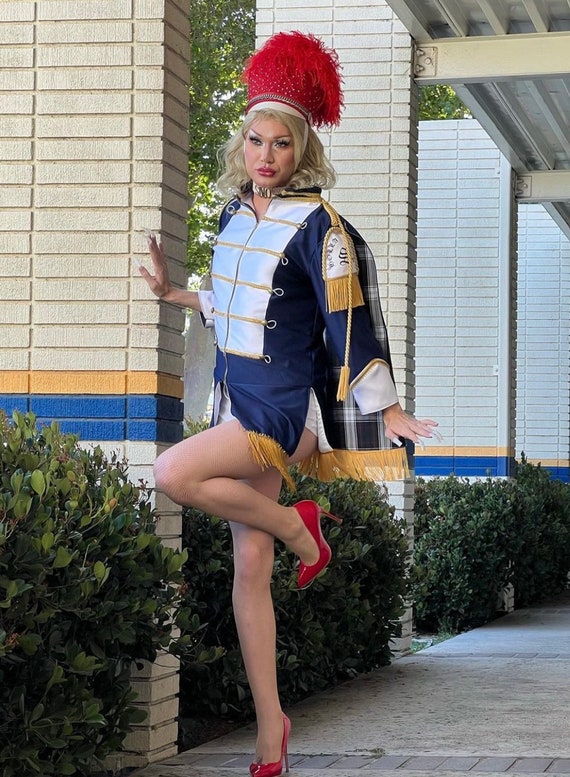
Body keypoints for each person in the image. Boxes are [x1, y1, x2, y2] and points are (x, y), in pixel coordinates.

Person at [139, 30, 438, 777]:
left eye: (281, 143)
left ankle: (301, 527)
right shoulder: (231, 216)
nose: (266, 154)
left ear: (300, 150)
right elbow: (238, 303)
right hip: (234, 398)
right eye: (255, 140)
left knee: (171, 473)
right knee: (248, 567)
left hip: (278, 410)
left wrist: (386, 406)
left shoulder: (318, 226)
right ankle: (272, 727)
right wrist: (175, 292)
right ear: (240, 144)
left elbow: (347, 313)